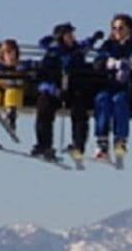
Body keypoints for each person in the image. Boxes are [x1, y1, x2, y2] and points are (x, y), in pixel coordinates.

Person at [33, 23, 100, 162]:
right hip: (55, 90)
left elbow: (86, 45)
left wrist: (94, 38)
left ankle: (78, 144)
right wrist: (54, 90)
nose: (72, 38)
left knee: (79, 110)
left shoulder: (77, 50)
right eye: (69, 35)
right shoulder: (52, 53)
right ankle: (44, 144)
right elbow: (43, 77)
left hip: (74, 89)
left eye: (72, 35)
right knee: (44, 107)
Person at [92, 13, 132, 163]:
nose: (117, 31)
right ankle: (102, 142)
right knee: (102, 99)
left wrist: (131, 64)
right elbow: (98, 61)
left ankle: (120, 140)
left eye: (121, 28)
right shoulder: (109, 45)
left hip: (129, 88)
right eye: (114, 28)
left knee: (120, 101)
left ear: (129, 29)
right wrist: (108, 63)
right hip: (109, 86)